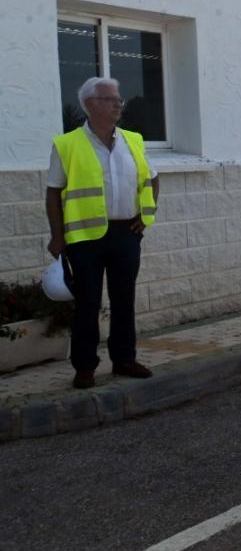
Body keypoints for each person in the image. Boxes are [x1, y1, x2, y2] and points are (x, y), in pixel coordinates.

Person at [46, 76, 159, 390]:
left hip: (126, 233)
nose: (118, 103)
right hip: (84, 239)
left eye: (118, 98)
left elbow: (153, 179)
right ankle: (84, 367)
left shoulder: (133, 140)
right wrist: (57, 236)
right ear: (90, 105)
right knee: (88, 303)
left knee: (125, 299)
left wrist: (145, 216)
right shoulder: (67, 145)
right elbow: (53, 193)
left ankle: (124, 359)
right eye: (111, 98)